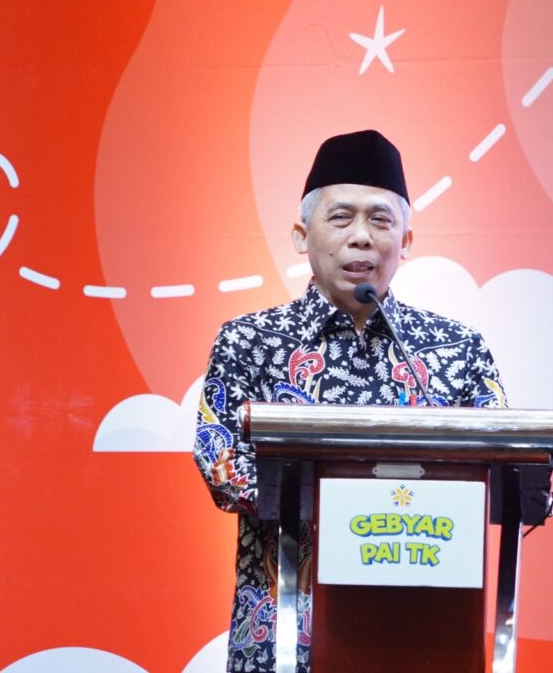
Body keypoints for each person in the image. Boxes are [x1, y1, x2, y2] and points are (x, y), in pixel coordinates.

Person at [193, 130, 507, 672]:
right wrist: (357, 505)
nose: (361, 237)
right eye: (341, 218)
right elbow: (220, 466)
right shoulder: (249, 341)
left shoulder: (457, 348)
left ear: (406, 240)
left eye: (380, 220)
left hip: (425, 631)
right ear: (301, 236)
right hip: (286, 635)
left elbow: (505, 467)